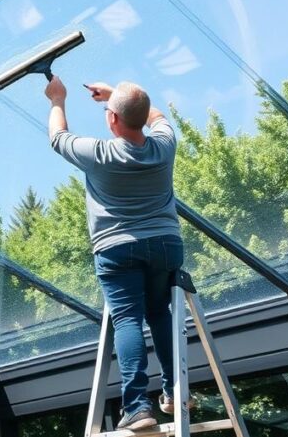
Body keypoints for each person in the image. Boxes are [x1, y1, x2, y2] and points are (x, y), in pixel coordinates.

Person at [43, 75, 186, 431]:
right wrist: (116, 97)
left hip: (117, 249)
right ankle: (173, 393)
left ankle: (138, 407)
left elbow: (58, 137)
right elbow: (156, 118)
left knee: (127, 319)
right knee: (159, 312)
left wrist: (57, 99)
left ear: (111, 119)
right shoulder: (165, 146)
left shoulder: (100, 154)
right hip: (166, 245)